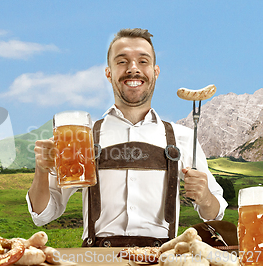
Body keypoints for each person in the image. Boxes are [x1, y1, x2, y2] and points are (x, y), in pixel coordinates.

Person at [26, 28, 228, 247]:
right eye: (122, 61)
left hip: (162, 258)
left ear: (155, 71)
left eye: (143, 61)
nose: (133, 69)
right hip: (98, 260)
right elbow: (44, 215)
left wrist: (205, 195)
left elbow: (214, 214)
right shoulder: (81, 137)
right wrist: (41, 171)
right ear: (109, 72)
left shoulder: (183, 138)